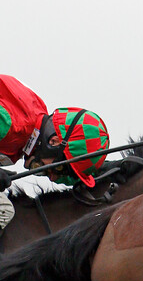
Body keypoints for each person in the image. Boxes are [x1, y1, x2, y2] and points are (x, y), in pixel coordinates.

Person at [0, 75, 110, 229]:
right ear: (55, 142)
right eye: (59, 168)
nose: (52, 178)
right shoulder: (10, 125)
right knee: (3, 210)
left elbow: (66, 176)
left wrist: (104, 169)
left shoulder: (33, 122)